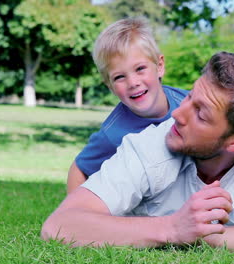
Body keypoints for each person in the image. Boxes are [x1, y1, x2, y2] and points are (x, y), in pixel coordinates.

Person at [42, 52, 234, 251]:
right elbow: (60, 225)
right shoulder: (148, 147)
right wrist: (172, 228)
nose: (177, 113)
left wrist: (200, 234)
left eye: (201, 114)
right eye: (189, 97)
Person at [67, 17, 189, 193]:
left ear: (159, 66)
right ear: (109, 85)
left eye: (140, 69)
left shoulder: (189, 103)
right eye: (119, 77)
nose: (133, 82)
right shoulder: (113, 133)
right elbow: (79, 169)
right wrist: (74, 214)